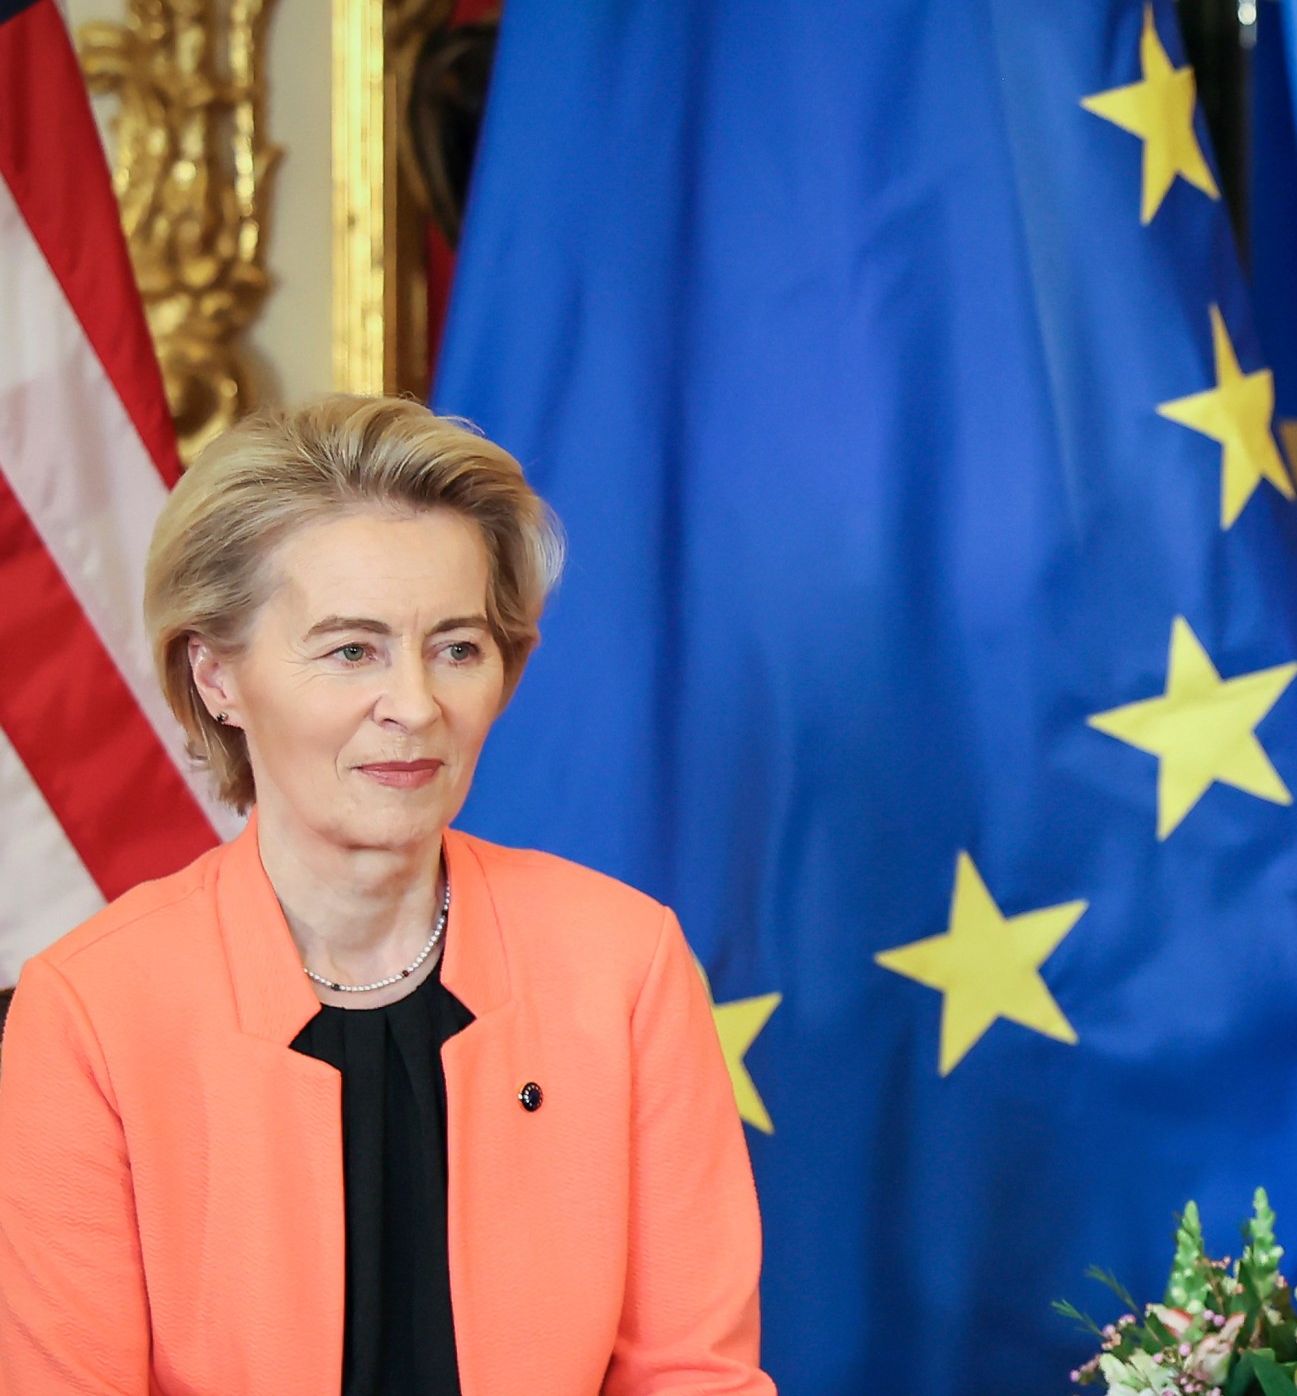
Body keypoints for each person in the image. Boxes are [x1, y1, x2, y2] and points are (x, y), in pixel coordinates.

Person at [0, 396, 774, 1395]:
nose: (415, 705)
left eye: (455, 646)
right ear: (218, 676)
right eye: (351, 649)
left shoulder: (624, 962)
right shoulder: (91, 1011)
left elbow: (693, 1376)